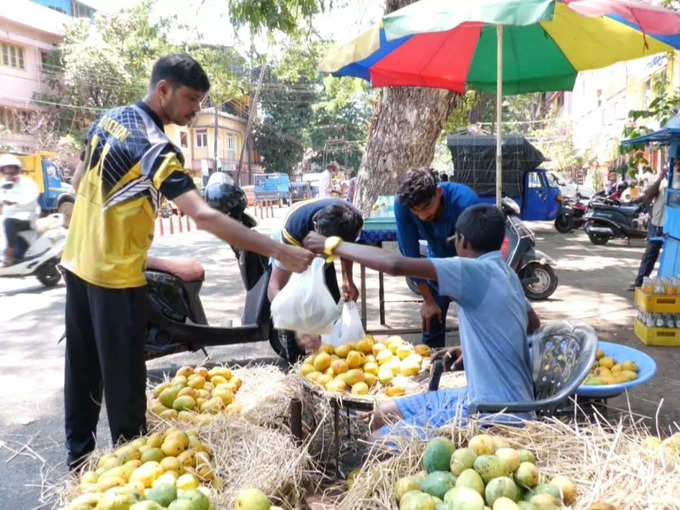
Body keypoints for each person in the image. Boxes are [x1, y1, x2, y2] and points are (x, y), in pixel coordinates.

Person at [61, 54, 313, 470]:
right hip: (115, 277)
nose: (197, 110)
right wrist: (281, 251)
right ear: (164, 90)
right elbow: (205, 215)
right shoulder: (156, 148)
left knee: (82, 370)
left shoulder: (110, 119)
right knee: (125, 384)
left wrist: (80, 230)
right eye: (192, 99)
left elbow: (76, 181)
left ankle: (78, 464)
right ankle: (131, 472)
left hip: (78, 266)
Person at [304, 203, 540, 431]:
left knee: (379, 442)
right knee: (382, 413)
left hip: (494, 412)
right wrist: (474, 348)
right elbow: (531, 323)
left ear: (462, 241)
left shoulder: (472, 270)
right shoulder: (506, 272)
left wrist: (332, 245)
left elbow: (394, 264)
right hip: (485, 397)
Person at [268, 197, 364, 359]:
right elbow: (275, 287)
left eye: (330, 252)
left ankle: (325, 353)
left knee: (331, 301)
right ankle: (295, 361)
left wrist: (348, 279)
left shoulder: (353, 221)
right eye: (324, 251)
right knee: (297, 304)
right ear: (315, 229)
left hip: (323, 244)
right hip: (293, 249)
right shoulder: (295, 230)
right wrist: (299, 325)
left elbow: (347, 250)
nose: (323, 256)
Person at [394, 167, 478, 348]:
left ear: (439, 192)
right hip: (436, 268)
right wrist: (428, 301)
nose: (423, 216)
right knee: (431, 324)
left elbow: (476, 254)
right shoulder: (402, 205)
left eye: (426, 208)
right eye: (416, 212)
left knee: (477, 330)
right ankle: (433, 370)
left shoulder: (465, 202)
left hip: (469, 269)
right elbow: (410, 255)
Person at [629, 164, 669, 290]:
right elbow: (648, 196)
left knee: (670, 256)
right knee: (650, 255)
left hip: (671, 227)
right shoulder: (663, 183)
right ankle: (639, 282)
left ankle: (667, 286)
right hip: (656, 224)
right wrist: (660, 178)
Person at [0, 154, 39, 266]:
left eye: (12, 170)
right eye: (6, 171)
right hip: (7, 219)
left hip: (27, 218)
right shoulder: (2, 184)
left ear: (17, 169)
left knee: (9, 222)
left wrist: (14, 201)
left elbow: (32, 196)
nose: (9, 173)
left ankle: (9, 256)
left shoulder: (27, 183)